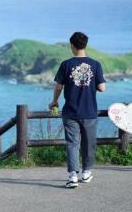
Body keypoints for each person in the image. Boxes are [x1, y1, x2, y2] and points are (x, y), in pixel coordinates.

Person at [48, 32, 106, 188]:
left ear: (72, 46)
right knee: (89, 143)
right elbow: (102, 88)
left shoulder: (66, 64)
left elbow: (59, 86)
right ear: (85, 45)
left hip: (70, 111)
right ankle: (86, 172)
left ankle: (73, 175)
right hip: (90, 111)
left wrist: (54, 101)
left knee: (72, 143)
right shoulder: (95, 64)